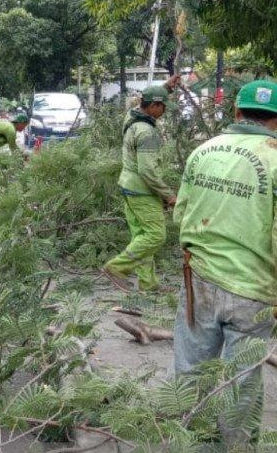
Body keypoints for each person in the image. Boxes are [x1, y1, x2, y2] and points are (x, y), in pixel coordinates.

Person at [172, 80, 277, 447]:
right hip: (254, 290)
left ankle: (189, 442)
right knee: (241, 382)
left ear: (236, 112)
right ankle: (237, 447)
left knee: (191, 371)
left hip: (198, 280)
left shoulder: (203, 151)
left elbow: (179, 216)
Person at [102, 75, 180, 292]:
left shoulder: (132, 116)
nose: (164, 111)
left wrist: (166, 88)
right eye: (163, 106)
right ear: (154, 106)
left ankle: (148, 283)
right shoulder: (147, 132)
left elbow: (142, 100)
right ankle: (116, 267)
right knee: (156, 236)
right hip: (142, 190)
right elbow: (148, 171)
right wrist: (168, 195)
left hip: (128, 185)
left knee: (142, 236)